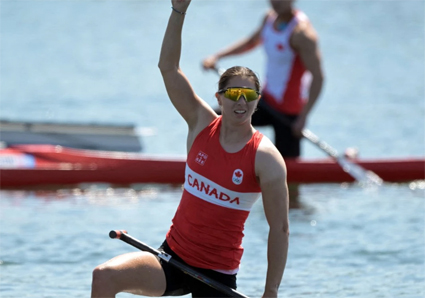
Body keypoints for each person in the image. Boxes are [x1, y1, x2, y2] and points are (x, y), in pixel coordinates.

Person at [91, 0, 289, 297]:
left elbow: (280, 230)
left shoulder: (266, 159)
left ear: (258, 100)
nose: (241, 102)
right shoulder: (199, 123)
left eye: (248, 95)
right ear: (219, 98)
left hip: (217, 275)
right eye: (233, 93)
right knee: (103, 276)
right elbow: (168, 68)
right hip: (171, 258)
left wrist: (270, 292)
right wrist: (178, 10)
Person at [202, 0, 324, 159]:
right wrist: (217, 56)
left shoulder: (302, 34)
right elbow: (251, 42)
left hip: (288, 113)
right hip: (266, 102)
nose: (276, 2)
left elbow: (318, 78)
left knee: (288, 174)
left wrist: (303, 118)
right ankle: (213, 164)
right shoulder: (269, 19)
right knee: (212, 119)